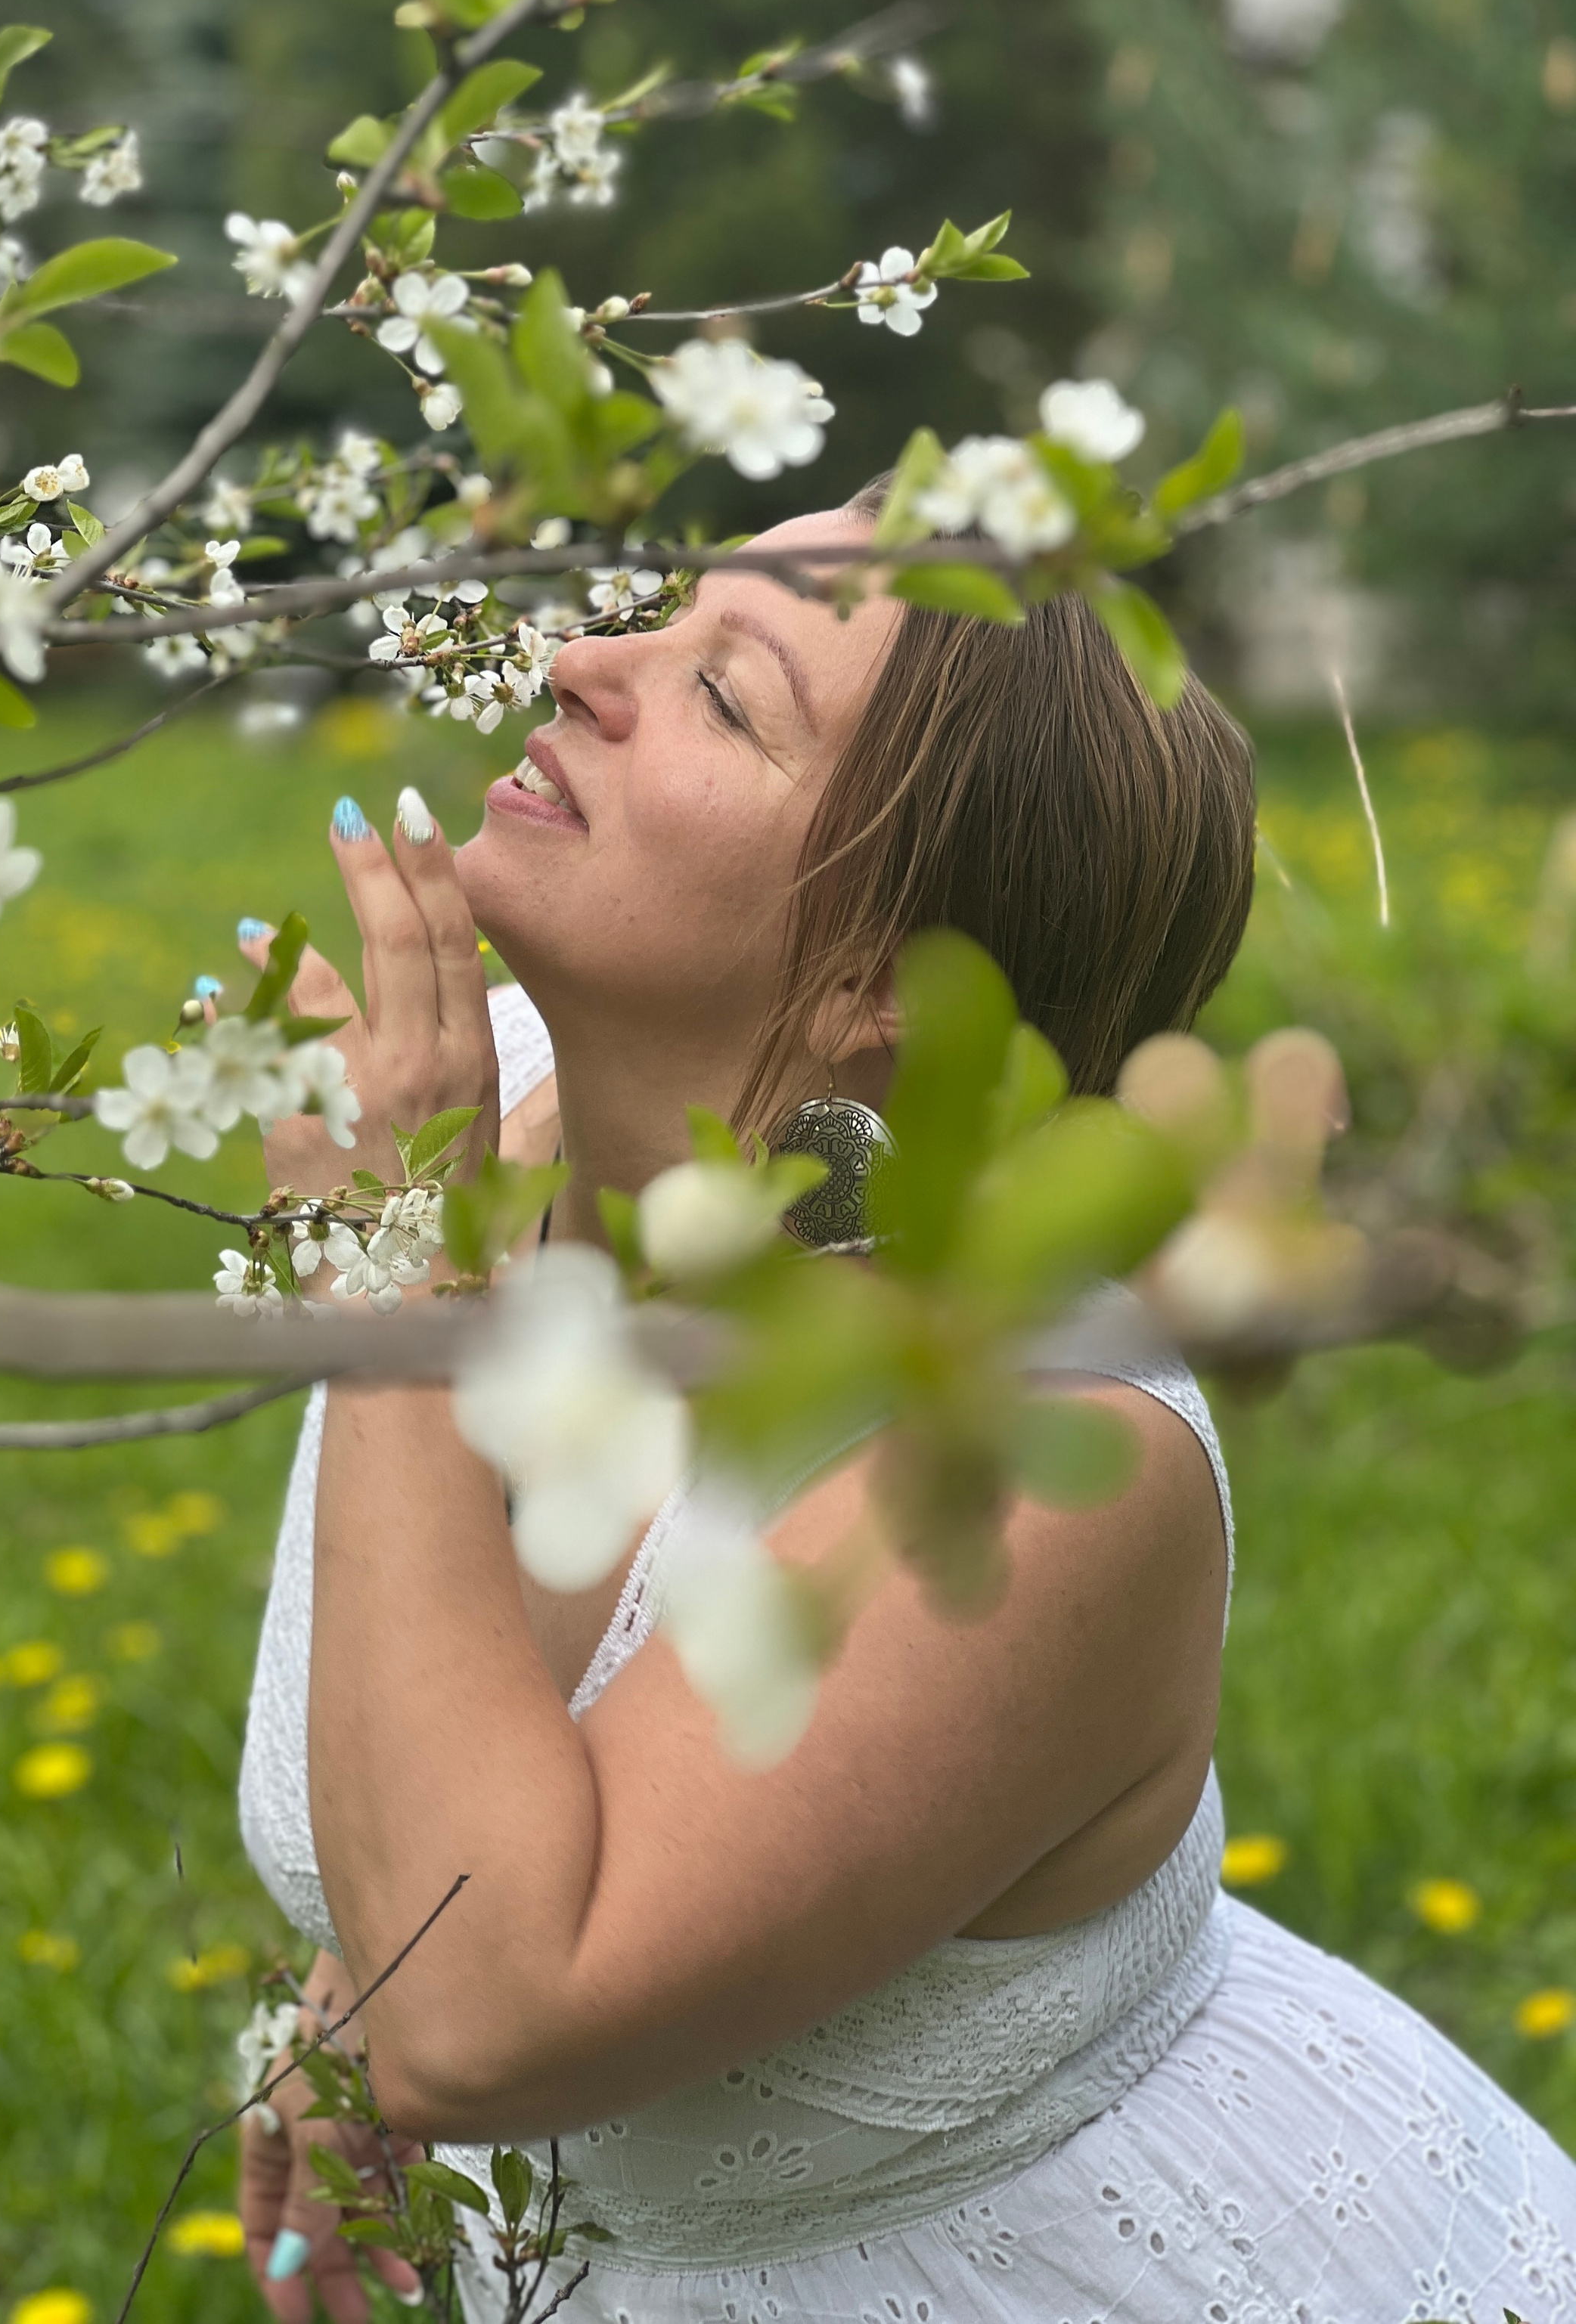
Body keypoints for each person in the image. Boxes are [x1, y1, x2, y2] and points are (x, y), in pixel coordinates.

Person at [236, 497, 1576, 2323]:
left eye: (720, 694)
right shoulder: (495, 1110)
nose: (573, 664)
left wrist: (390, 1270)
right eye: (662, 622)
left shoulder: (1038, 1457)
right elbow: (475, 1758)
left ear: (882, 980)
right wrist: (346, 2009)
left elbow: (492, 2011)